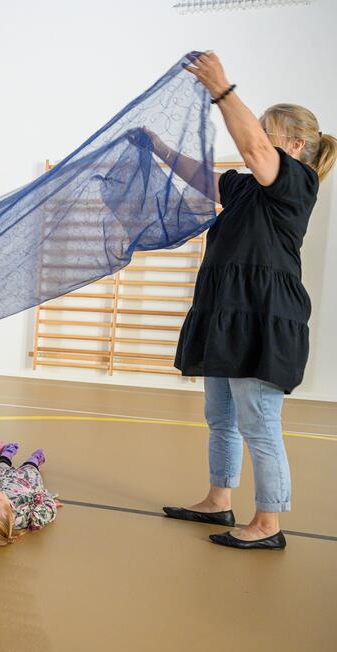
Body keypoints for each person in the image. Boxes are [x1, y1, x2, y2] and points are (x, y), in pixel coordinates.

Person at [143, 53, 334, 550]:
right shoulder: (247, 188)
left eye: (267, 131)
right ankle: (217, 499)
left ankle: (268, 524)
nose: (257, 137)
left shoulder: (297, 183)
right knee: (221, 415)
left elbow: (250, 148)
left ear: (294, 145)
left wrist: (222, 89)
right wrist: (159, 147)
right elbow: (203, 176)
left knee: (259, 422)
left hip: (263, 317)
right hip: (228, 312)